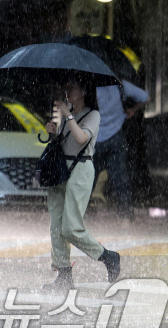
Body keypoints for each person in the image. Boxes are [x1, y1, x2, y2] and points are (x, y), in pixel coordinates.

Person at [43, 73, 121, 292]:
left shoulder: (92, 115)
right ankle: (63, 274)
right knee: (56, 225)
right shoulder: (70, 113)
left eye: (73, 87)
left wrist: (68, 116)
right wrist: (53, 133)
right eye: (67, 87)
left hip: (81, 170)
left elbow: (81, 139)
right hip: (60, 170)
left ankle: (107, 256)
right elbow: (63, 143)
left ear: (84, 92)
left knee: (71, 226)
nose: (68, 91)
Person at [94, 80, 148, 222]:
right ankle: (125, 218)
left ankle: (78, 219)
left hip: (93, 141)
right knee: (120, 180)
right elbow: (146, 97)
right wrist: (134, 109)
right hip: (116, 138)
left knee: (86, 181)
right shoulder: (121, 85)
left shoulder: (86, 87)